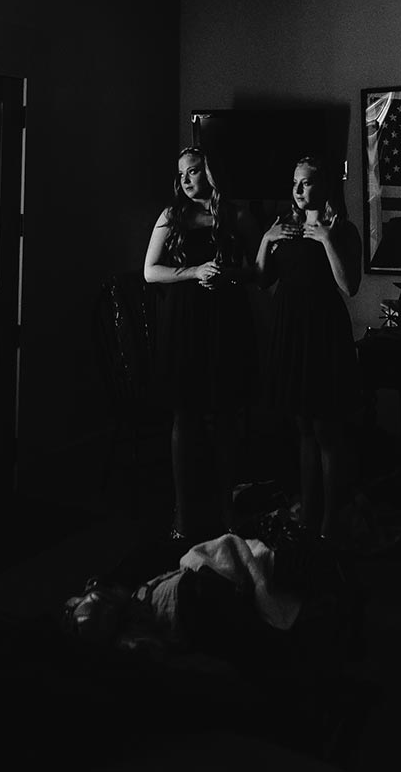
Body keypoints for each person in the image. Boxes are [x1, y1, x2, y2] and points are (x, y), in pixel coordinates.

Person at [144, 147, 255, 539]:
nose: (187, 180)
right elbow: (149, 271)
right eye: (182, 175)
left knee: (225, 416)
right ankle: (183, 513)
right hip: (182, 322)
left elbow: (257, 273)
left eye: (194, 172)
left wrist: (228, 275)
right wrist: (192, 271)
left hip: (225, 322)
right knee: (184, 417)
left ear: (210, 172)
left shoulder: (237, 215)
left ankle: (227, 508)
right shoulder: (172, 216)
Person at [258, 155, 363, 542]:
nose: (298, 190)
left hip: (322, 331)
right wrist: (266, 240)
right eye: (295, 183)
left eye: (306, 183)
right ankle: (309, 511)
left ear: (325, 186)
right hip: (289, 329)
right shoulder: (285, 228)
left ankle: (330, 520)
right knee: (301, 425)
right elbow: (262, 279)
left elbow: (349, 286)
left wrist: (327, 240)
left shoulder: (343, 229)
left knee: (325, 428)